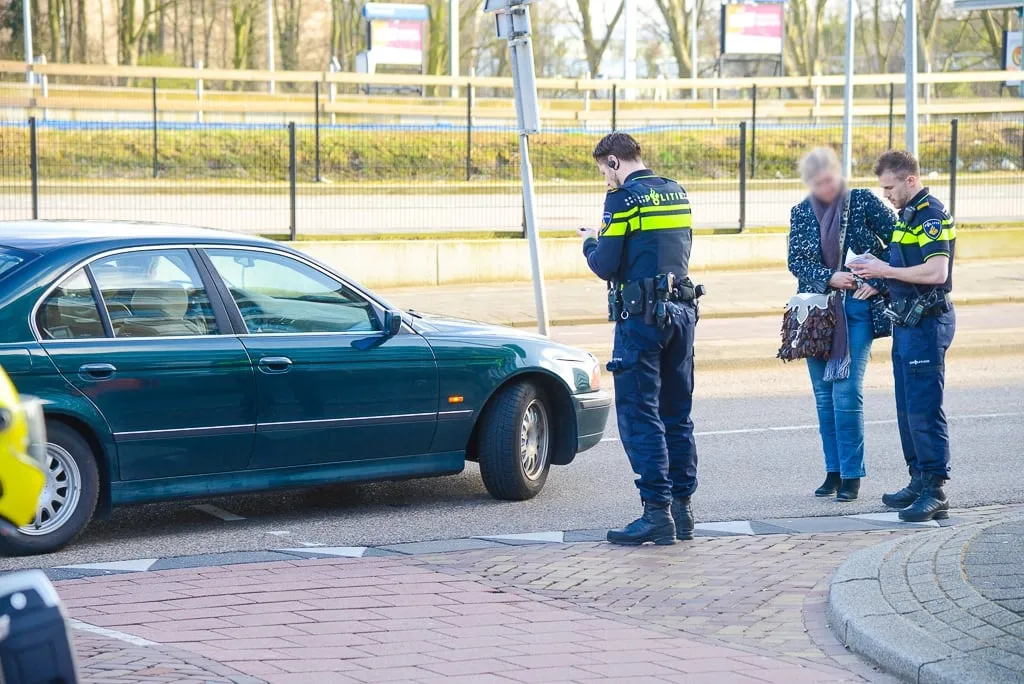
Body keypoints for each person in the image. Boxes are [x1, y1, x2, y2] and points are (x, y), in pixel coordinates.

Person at [578, 132, 702, 546]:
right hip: (681, 313)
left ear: (614, 162)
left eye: (603, 170)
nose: (606, 179)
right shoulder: (675, 192)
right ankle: (683, 511)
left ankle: (656, 514)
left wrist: (589, 242)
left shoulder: (623, 199)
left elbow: (605, 264)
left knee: (639, 413)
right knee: (676, 413)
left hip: (641, 319)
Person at [850, 150, 957, 523]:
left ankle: (935, 489)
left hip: (928, 325)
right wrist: (877, 281)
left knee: (924, 409)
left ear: (910, 180)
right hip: (909, 323)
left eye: (890, 187)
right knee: (906, 408)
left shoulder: (930, 216)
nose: (886, 195)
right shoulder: (906, 216)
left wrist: (884, 269)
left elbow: (936, 273)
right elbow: (902, 268)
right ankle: (918, 479)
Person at [787, 148, 895, 502]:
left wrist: (878, 280)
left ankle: (852, 474)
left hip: (857, 311)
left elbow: (900, 242)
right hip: (818, 313)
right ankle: (832, 471)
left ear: (839, 174)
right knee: (823, 395)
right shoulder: (801, 212)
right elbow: (797, 261)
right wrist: (829, 277)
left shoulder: (862, 201)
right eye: (819, 184)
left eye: (831, 180)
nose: (827, 188)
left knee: (846, 392)